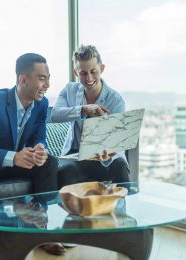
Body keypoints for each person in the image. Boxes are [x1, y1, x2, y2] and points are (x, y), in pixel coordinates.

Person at [0, 53, 61, 260]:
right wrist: (12, 157)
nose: (48, 84)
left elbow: (39, 136)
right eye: (42, 78)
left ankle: (40, 228)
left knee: (50, 162)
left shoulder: (41, 104)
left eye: (48, 78)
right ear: (22, 79)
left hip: (17, 160)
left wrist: (40, 149)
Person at [51, 44, 130, 187]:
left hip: (106, 156)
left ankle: (120, 209)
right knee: (65, 171)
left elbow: (119, 140)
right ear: (76, 72)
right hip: (76, 155)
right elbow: (55, 115)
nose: (89, 78)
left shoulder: (116, 99)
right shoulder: (69, 90)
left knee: (120, 166)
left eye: (93, 71)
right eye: (83, 73)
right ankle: (71, 209)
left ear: (102, 69)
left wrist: (109, 151)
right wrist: (83, 109)